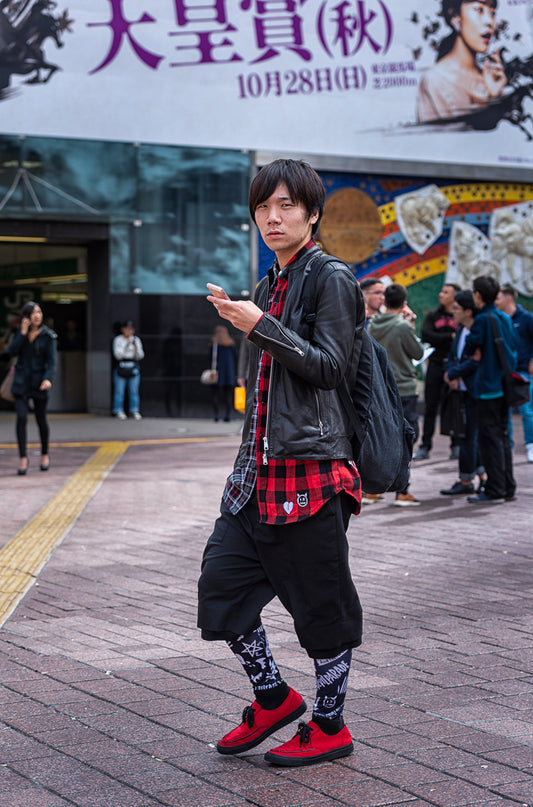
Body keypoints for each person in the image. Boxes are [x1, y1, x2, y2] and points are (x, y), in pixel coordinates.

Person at [197, 159, 365, 767]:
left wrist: (261, 326)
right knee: (220, 595)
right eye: (264, 206)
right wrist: (257, 317)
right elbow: (265, 395)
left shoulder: (331, 279)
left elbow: (330, 369)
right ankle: (272, 697)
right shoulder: (269, 283)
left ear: (312, 213)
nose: (272, 216)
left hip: (312, 477)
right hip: (254, 479)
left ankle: (330, 725)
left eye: (287, 204)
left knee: (322, 607)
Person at [464, 273, 518, 504]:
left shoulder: (482, 320)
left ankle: (494, 489)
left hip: (487, 387)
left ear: (477, 295)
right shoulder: (504, 318)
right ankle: (507, 486)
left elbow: (470, 346)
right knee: (503, 437)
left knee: (489, 440)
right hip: (505, 385)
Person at [368, 284, 424, 506]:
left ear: (384, 301)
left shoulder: (372, 325)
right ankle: (403, 491)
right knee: (406, 438)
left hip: (380, 389)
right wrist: (411, 324)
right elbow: (418, 353)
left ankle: (373, 489)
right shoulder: (402, 326)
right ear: (403, 303)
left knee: (382, 438)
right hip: (403, 388)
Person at [416, 0, 507, 124]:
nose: (490, 22)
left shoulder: (488, 79)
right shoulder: (434, 81)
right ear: (455, 17)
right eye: (479, 10)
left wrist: (493, 97)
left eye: (492, 13)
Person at [440, 290, 486, 495]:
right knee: (465, 435)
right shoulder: (461, 329)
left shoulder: (478, 329)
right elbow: (453, 355)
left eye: (457, 309)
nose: (453, 313)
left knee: (470, 436)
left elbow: (475, 360)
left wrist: (455, 373)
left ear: (468, 311)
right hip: (462, 390)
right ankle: (479, 475)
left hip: (477, 390)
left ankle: (469, 479)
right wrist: (452, 373)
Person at [8, 301, 57, 475]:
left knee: (41, 420)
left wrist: (48, 379)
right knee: (21, 418)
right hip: (21, 383)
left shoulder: (48, 336)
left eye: (39, 312)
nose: (37, 315)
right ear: (26, 317)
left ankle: (44, 453)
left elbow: (51, 362)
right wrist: (22, 333)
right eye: (33, 313)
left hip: (39, 383)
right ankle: (23, 458)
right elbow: (11, 352)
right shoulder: (19, 333)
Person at [414, 283, 460, 460]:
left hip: (455, 367)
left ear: (454, 296)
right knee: (431, 407)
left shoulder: (459, 315)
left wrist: (443, 340)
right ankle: (425, 446)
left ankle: (456, 445)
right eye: (441, 291)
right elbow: (426, 335)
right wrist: (449, 337)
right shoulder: (434, 315)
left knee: (454, 406)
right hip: (436, 365)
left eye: (446, 292)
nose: (441, 294)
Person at [495, 285, 533, 463]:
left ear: (508, 298)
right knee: (505, 411)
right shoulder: (499, 319)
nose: (496, 301)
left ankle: (530, 445)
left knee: (527, 410)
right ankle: (507, 446)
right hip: (505, 371)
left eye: (499, 298)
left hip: (524, 371)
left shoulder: (526, 318)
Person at [112, 320, 145, 420]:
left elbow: (140, 355)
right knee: (119, 390)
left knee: (134, 390)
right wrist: (127, 346)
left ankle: (134, 410)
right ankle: (118, 410)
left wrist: (135, 347)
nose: (128, 331)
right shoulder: (118, 340)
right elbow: (118, 355)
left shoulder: (136, 340)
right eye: (126, 329)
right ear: (122, 329)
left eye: (130, 329)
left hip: (133, 367)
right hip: (121, 367)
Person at [209, 325, 237, 422]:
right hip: (229, 373)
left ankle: (217, 415)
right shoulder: (231, 343)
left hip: (217, 373)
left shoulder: (214, 343)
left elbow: (210, 358)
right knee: (228, 395)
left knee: (216, 395)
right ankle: (228, 416)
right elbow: (235, 357)